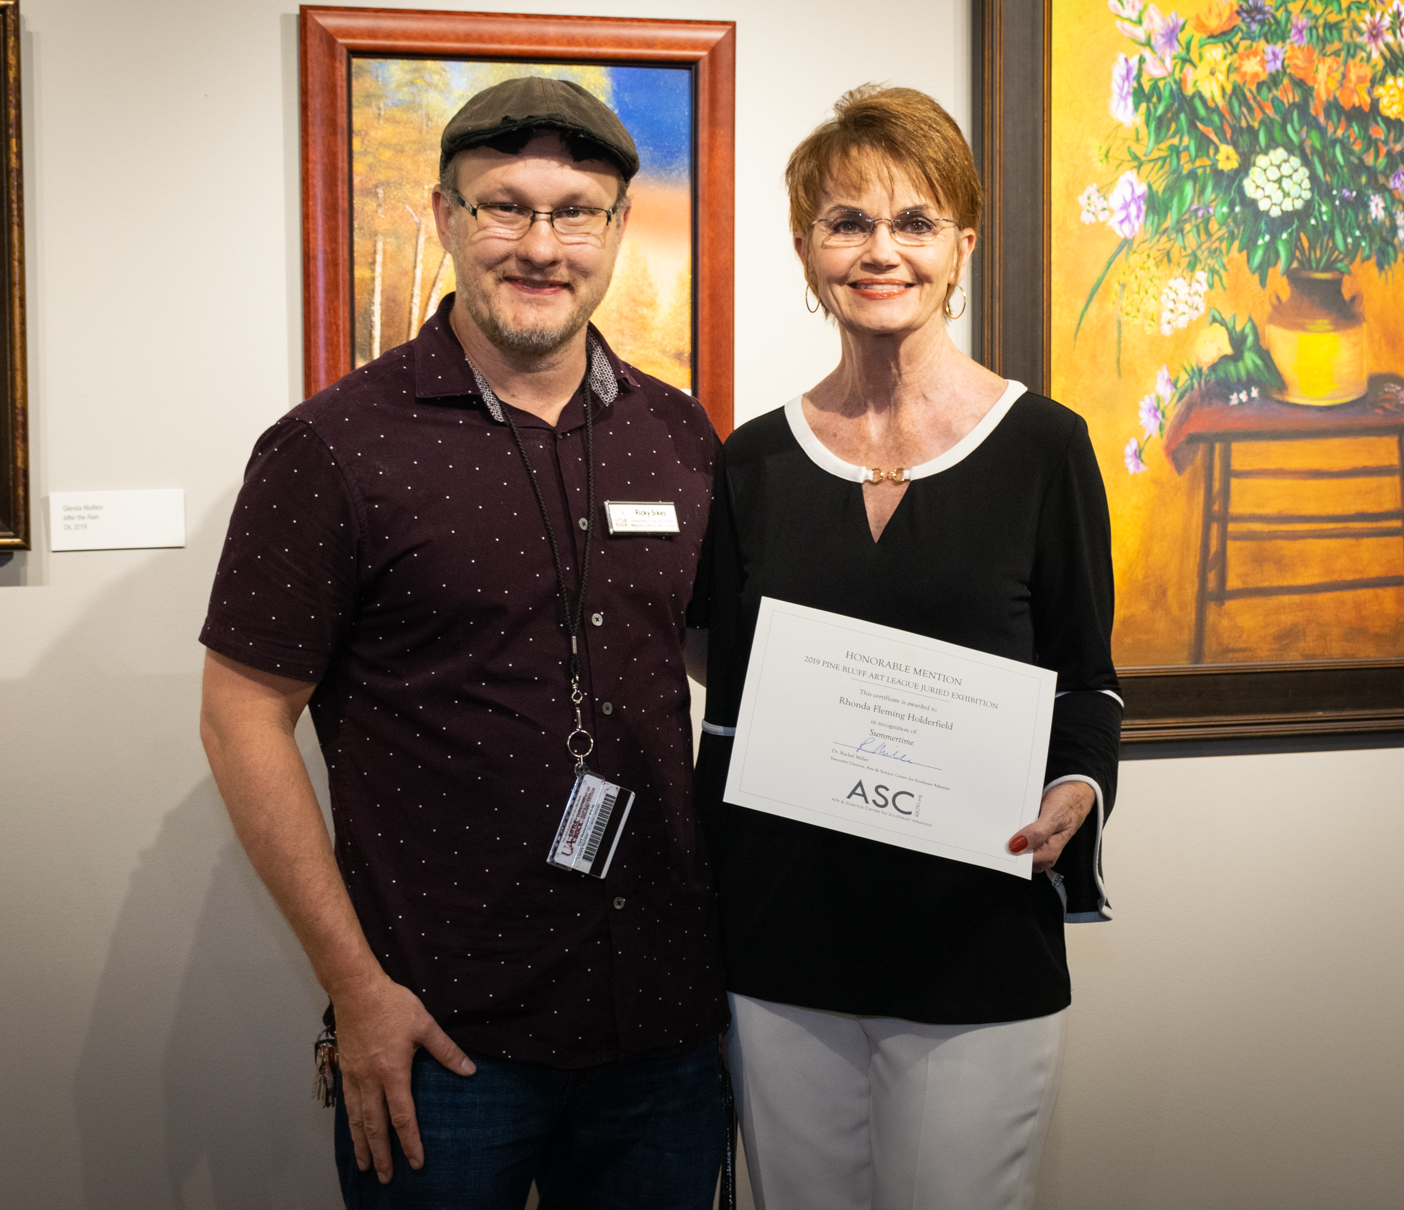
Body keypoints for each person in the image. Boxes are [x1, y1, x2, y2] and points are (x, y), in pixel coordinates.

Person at [199, 76, 727, 1210]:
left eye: (575, 211)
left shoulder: (677, 435)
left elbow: (726, 665)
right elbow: (242, 716)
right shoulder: (331, 449)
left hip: (664, 1032)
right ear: (445, 217)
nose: (542, 245)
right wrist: (356, 988)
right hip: (440, 1038)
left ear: (619, 232)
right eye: (505, 207)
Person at [693, 84, 1122, 1210]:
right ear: (805, 249)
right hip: (783, 942)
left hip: (975, 936)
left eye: (915, 222)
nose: (881, 251)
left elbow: (1087, 675)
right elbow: (726, 697)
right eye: (847, 223)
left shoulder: (1044, 447)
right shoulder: (751, 463)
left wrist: (1076, 782)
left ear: (961, 244)